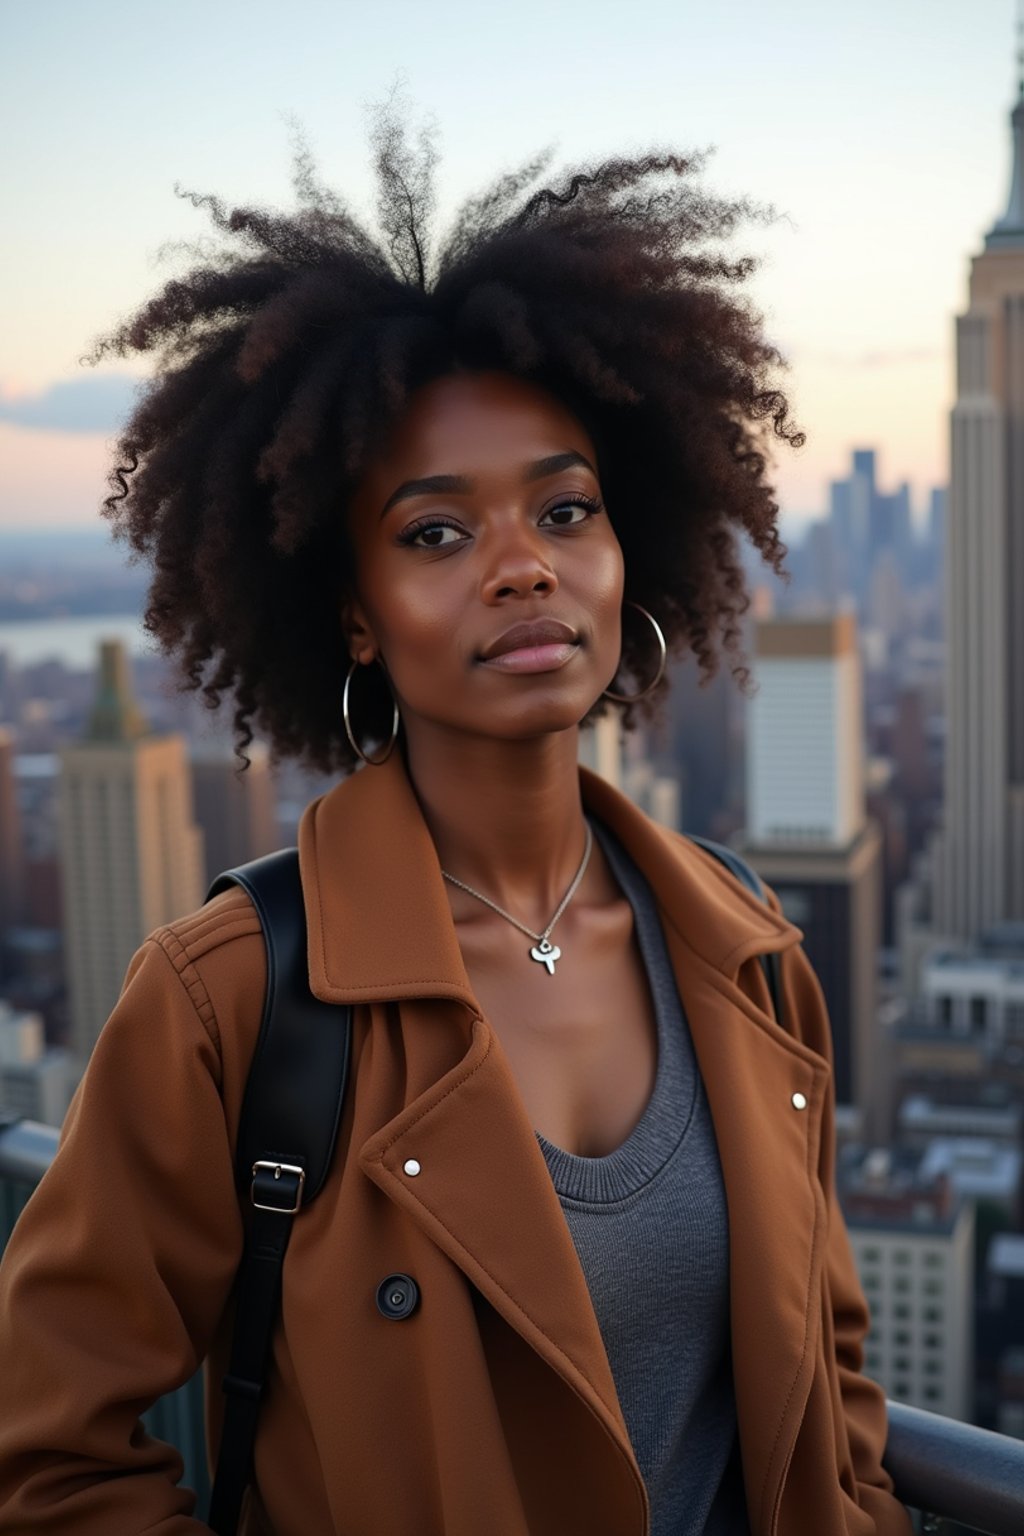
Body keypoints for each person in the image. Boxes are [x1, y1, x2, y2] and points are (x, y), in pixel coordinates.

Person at [0, 107, 913, 1536]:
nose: (519, 570)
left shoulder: (751, 955)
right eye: (437, 532)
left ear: (632, 550)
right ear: (352, 615)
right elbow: (45, 1457)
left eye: (567, 511)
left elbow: (833, 1385)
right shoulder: (229, 1004)